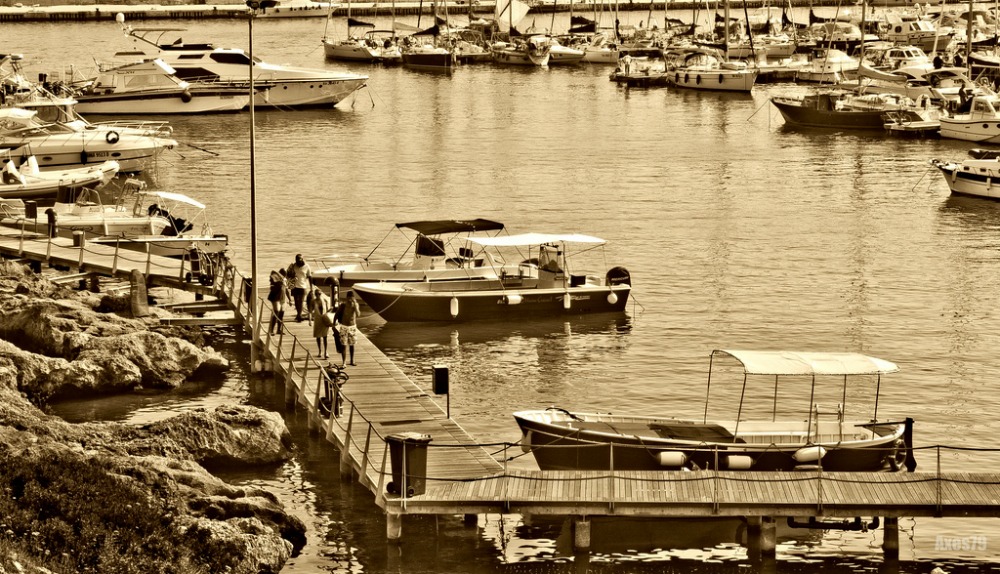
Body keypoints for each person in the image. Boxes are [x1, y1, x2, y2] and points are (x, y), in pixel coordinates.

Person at [337, 290, 361, 367]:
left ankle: (352, 361)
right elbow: (337, 314)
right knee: (343, 345)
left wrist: (355, 306)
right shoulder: (343, 305)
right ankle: (344, 362)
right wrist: (334, 324)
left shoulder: (355, 305)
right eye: (349, 298)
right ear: (347, 298)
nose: (350, 299)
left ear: (353, 298)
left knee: (352, 344)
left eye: (351, 298)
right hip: (344, 327)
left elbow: (358, 314)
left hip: (352, 327)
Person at [286, 253, 312, 322]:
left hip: (303, 286)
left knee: (301, 301)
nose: (298, 261)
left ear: (302, 259)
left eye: (299, 260)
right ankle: (298, 314)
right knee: (296, 301)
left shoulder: (307, 266)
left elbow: (310, 277)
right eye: (297, 260)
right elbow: (287, 274)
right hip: (294, 286)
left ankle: (299, 315)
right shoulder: (293, 266)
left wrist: (311, 287)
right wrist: (290, 278)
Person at [310, 286, 331, 359]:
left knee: (325, 336)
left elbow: (328, 310)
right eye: (316, 294)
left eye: (319, 294)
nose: (318, 295)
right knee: (318, 336)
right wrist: (310, 320)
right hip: (317, 320)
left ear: (321, 294)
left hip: (324, 319)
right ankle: (319, 350)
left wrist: (330, 313)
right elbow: (310, 311)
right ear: (315, 294)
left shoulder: (325, 300)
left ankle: (326, 351)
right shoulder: (313, 301)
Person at [267, 270, 288, 336]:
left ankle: (279, 330)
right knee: (276, 312)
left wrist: (290, 299)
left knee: (281, 313)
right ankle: (271, 330)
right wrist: (279, 283)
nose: (284, 277)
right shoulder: (274, 279)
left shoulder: (284, 280)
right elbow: (272, 288)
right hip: (275, 298)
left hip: (282, 298)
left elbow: (286, 290)